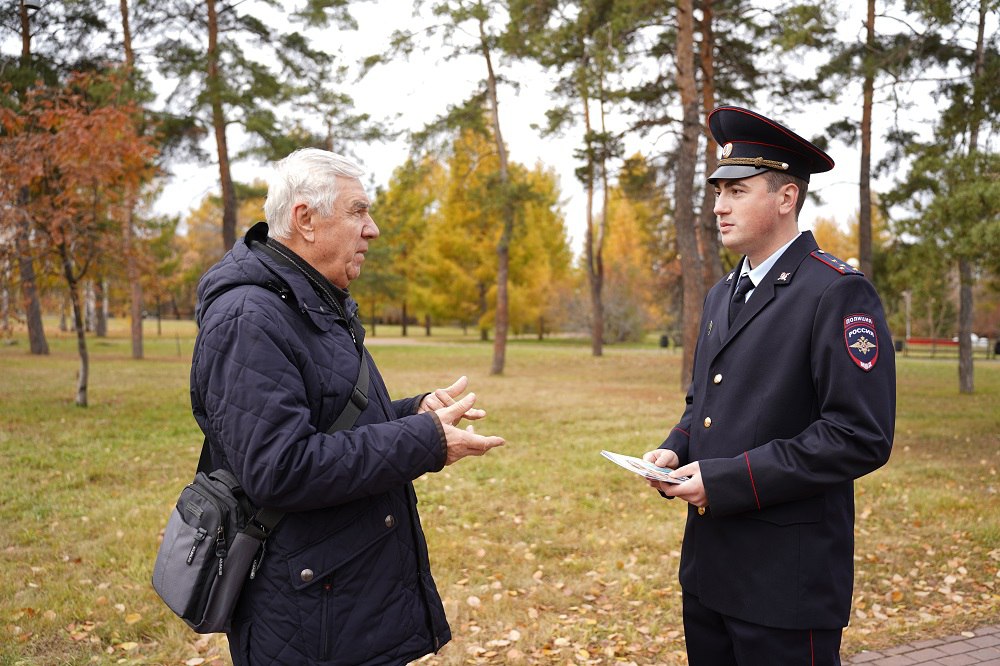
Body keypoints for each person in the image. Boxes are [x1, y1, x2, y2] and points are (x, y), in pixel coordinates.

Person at [189, 148, 505, 665]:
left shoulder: (307, 301)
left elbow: (328, 420)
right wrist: (425, 441)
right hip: (307, 620)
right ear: (305, 219)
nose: (372, 229)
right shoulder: (249, 318)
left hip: (340, 599)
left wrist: (414, 413)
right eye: (358, 211)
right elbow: (280, 468)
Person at [642, 106, 895, 665]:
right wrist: (676, 448)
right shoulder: (721, 295)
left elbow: (859, 435)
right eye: (718, 192)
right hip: (710, 571)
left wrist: (727, 480)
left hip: (785, 583)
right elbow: (705, 402)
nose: (719, 206)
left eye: (737, 191)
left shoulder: (836, 292)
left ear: (786, 197)